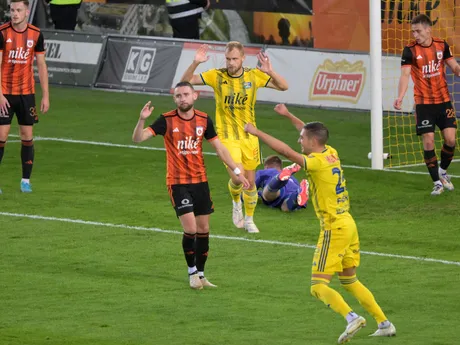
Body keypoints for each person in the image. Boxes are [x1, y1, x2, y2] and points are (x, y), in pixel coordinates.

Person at [243, 106, 396, 343]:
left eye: (302, 139)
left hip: (333, 227)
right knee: (349, 280)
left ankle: (351, 317)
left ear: (312, 142)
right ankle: (384, 323)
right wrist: (288, 116)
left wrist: (256, 132)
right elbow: (310, 130)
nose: (299, 140)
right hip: (348, 223)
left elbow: (285, 150)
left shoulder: (314, 163)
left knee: (317, 286)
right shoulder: (330, 151)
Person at [132, 81, 249, 290]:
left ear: (195, 96)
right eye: (178, 96)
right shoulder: (166, 120)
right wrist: (141, 120)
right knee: (191, 229)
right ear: (174, 99)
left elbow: (220, 148)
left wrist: (237, 172)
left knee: (204, 229)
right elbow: (138, 139)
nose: (182, 99)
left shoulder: (204, 120)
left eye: (185, 94)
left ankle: (202, 274)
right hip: (178, 183)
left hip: (200, 182)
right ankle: (192, 273)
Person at [181, 41, 288, 233]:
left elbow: (284, 86)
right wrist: (195, 62)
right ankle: (236, 202)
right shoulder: (217, 75)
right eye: (228, 59)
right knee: (238, 178)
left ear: (243, 58)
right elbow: (185, 82)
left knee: (250, 182)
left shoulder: (253, 76)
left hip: (249, 137)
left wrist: (270, 71)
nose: (231, 63)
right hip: (226, 137)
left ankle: (249, 219)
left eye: (234, 59)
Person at [394, 14, 460, 196]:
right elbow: (405, 76)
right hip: (424, 104)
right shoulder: (409, 50)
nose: (415, 35)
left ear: (428, 29)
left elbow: (454, 66)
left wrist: (458, 70)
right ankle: (437, 183)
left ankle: (443, 171)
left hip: (444, 100)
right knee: (429, 141)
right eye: (413, 31)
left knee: (451, 139)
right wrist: (400, 96)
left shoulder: (442, 45)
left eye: (418, 31)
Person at [0, 0, 49, 194]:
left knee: (27, 136)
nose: (14, 14)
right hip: (5, 94)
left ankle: (25, 180)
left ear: (27, 12)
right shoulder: (3, 32)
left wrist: (45, 95)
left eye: (18, 10)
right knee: (1, 135)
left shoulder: (36, 34)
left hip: (27, 94)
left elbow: (42, 65)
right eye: (12, 10)